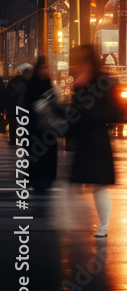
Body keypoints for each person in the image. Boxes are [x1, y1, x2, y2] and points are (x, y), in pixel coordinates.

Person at [67, 46, 122, 238]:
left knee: (98, 184)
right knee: (78, 183)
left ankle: (104, 225)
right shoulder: (79, 81)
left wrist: (89, 114)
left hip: (97, 139)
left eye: (80, 60)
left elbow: (117, 112)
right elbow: (74, 111)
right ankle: (74, 222)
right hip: (84, 139)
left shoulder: (102, 80)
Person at [22, 56, 61, 192]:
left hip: (48, 128)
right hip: (36, 128)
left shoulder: (48, 83)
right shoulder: (32, 84)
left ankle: (45, 180)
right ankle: (37, 180)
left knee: (47, 156)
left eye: (46, 68)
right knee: (37, 155)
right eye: (43, 68)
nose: (45, 71)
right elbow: (25, 107)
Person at [6, 63, 31, 145]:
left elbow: (7, 94)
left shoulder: (12, 81)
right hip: (23, 106)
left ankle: (12, 140)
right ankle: (24, 140)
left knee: (12, 123)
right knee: (24, 124)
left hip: (12, 106)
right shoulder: (29, 82)